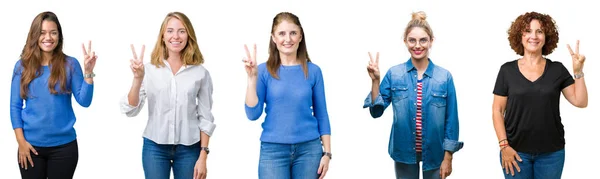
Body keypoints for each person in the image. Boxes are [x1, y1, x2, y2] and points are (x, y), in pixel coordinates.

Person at [363, 11, 463, 179]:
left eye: (423, 40)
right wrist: (375, 81)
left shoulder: (444, 77)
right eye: (412, 40)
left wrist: (448, 157)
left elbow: (451, 120)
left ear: (431, 41)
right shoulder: (394, 74)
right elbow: (376, 112)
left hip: (435, 152)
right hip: (403, 152)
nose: (418, 45)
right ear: (405, 42)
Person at [492, 11, 588, 179]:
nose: (533, 36)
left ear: (546, 37)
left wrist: (578, 72)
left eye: (539, 31)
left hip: (551, 154)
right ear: (520, 36)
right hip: (515, 152)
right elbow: (497, 111)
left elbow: (580, 101)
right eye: (528, 31)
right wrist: (504, 146)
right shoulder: (506, 70)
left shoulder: (557, 69)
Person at [120, 12, 215, 179]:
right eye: (170, 31)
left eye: (182, 31)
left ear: (189, 36)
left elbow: (205, 117)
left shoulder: (200, 73)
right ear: (162, 36)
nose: (175, 36)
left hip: (189, 149)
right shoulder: (148, 70)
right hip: (155, 148)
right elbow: (130, 109)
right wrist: (137, 78)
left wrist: (203, 155)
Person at [243, 12, 332, 179]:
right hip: (273, 151)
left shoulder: (313, 71)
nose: (288, 39)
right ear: (273, 38)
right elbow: (252, 114)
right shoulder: (262, 71)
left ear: (300, 36)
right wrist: (251, 79)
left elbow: (322, 114)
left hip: (309, 151)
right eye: (281, 33)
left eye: (293, 33)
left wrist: (327, 153)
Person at [10, 11, 97, 179]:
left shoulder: (70, 64)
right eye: (42, 33)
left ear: (59, 36)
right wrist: (21, 142)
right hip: (30, 146)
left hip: (64, 148)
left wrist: (88, 73)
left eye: (53, 32)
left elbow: (84, 101)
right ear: (34, 35)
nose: (48, 37)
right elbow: (15, 106)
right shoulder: (21, 66)